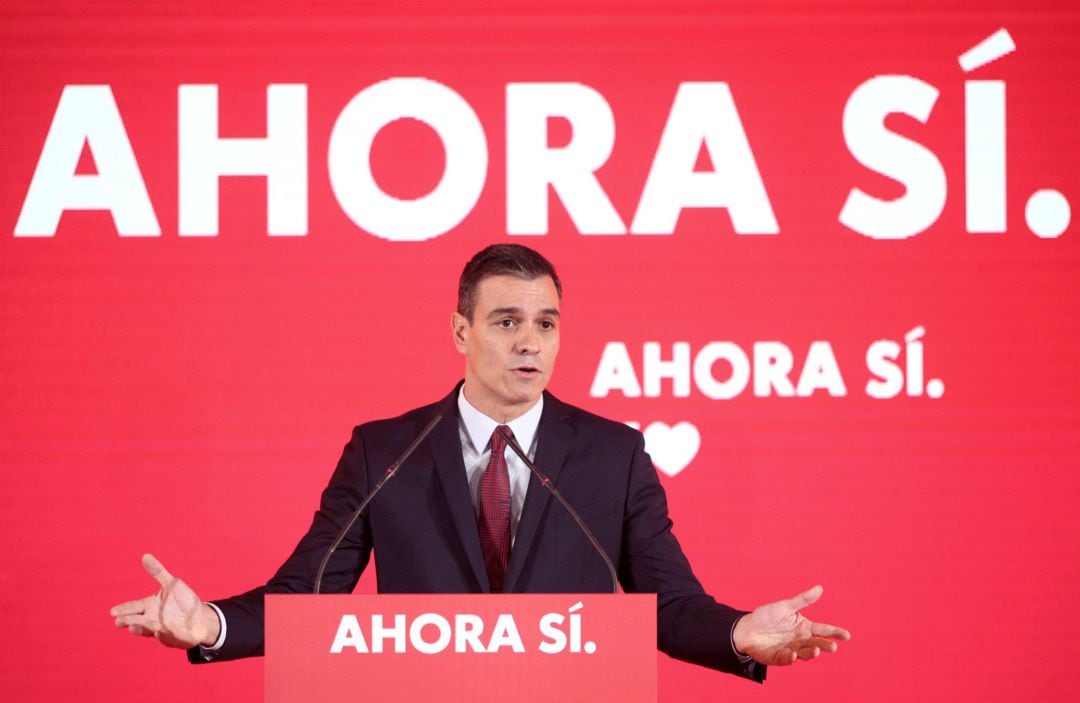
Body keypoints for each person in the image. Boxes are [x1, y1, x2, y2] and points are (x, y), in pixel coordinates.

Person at [111, 244, 850, 681]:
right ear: (461, 331)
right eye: (506, 322)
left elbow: (666, 601)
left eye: (546, 323)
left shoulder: (613, 453)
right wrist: (206, 622)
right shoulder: (384, 451)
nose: (531, 341)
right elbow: (307, 592)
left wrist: (737, 632)